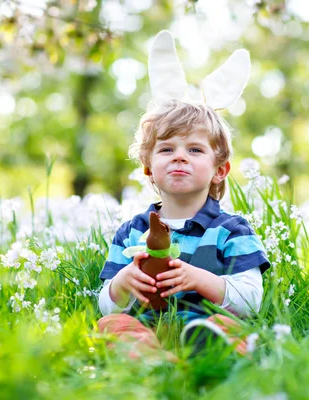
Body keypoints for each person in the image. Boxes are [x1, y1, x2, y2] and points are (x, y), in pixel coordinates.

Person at [96, 31, 269, 359]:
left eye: (194, 149)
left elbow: (249, 301)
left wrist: (198, 278)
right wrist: (123, 283)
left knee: (232, 325)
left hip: (206, 324)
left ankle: (205, 352)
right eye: (166, 149)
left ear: (220, 170)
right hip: (148, 328)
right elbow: (105, 300)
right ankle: (155, 361)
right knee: (109, 322)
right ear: (148, 168)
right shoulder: (132, 232)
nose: (179, 156)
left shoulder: (232, 230)